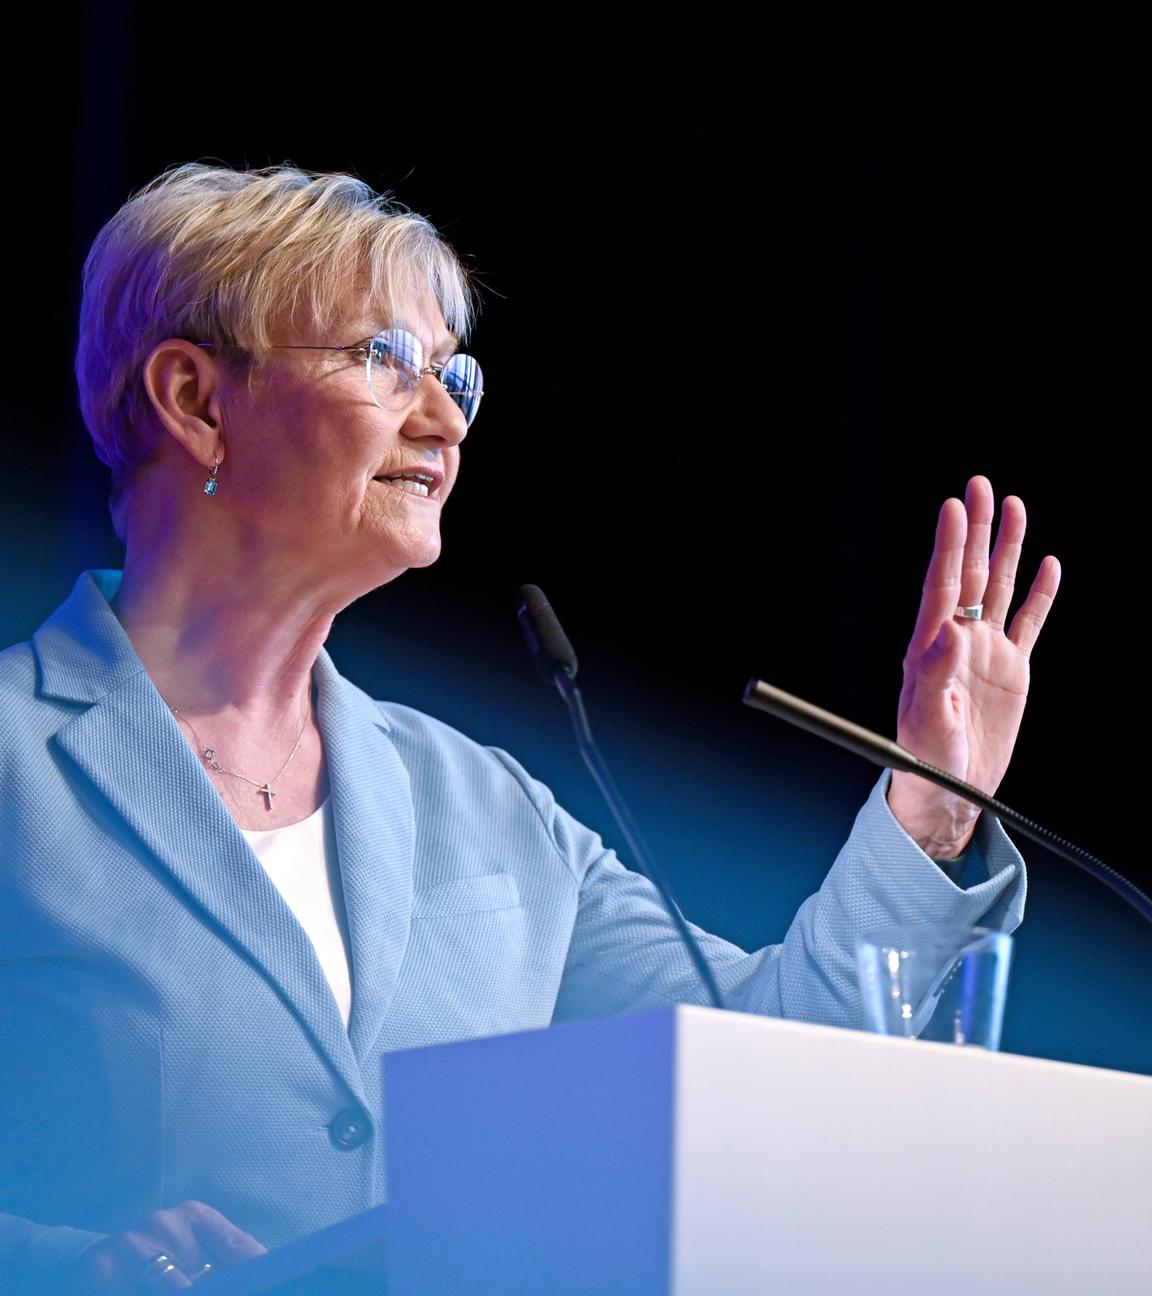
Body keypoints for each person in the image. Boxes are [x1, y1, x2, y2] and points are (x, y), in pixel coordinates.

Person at [0, 162, 1060, 1294]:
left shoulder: (485, 804)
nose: (446, 417)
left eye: (454, 371)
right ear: (198, 402)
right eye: (385, 359)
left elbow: (766, 1065)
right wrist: (64, 1268)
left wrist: (932, 808)